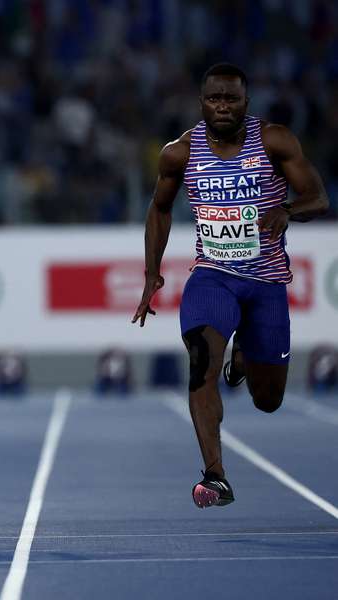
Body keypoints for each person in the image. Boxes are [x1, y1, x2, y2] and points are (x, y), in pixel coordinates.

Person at [133, 63, 329, 508]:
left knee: (268, 399)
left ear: (246, 102)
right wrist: (151, 274)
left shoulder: (275, 141)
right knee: (200, 359)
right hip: (212, 277)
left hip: (266, 284)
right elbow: (159, 208)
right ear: (201, 102)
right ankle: (215, 475)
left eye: (231, 99)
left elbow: (318, 197)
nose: (222, 107)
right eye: (214, 99)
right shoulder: (179, 152)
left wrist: (288, 212)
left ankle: (243, 355)